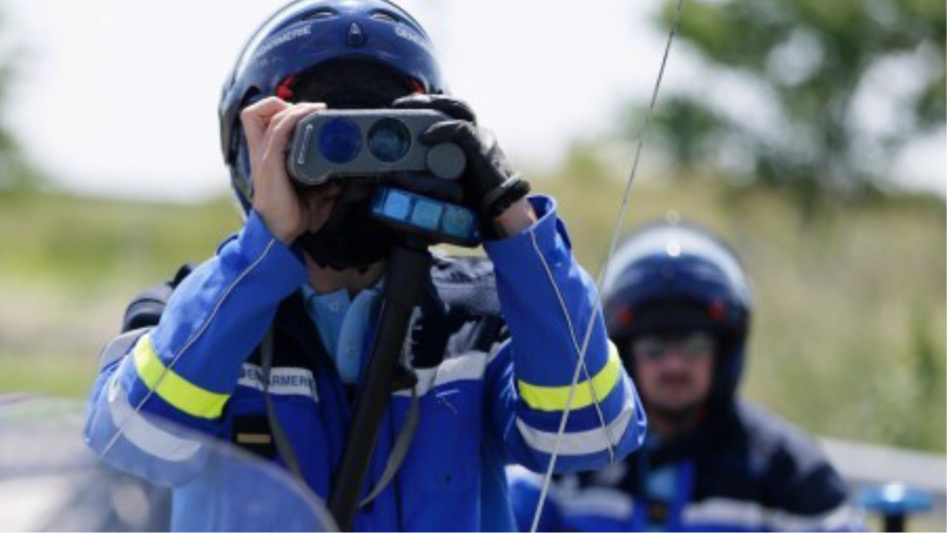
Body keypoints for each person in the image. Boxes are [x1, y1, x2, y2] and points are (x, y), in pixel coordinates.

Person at [82, 1, 646, 530]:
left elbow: (589, 432)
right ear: (249, 152)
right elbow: (134, 443)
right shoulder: (189, 312)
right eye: (326, 139)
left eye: (386, 139)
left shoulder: (483, 316)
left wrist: (513, 221)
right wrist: (261, 252)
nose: (354, 167)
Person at [510, 220, 863, 531]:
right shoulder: (572, 454)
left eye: (694, 345)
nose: (674, 365)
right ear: (623, 353)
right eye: (654, 348)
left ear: (724, 351)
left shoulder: (790, 472)